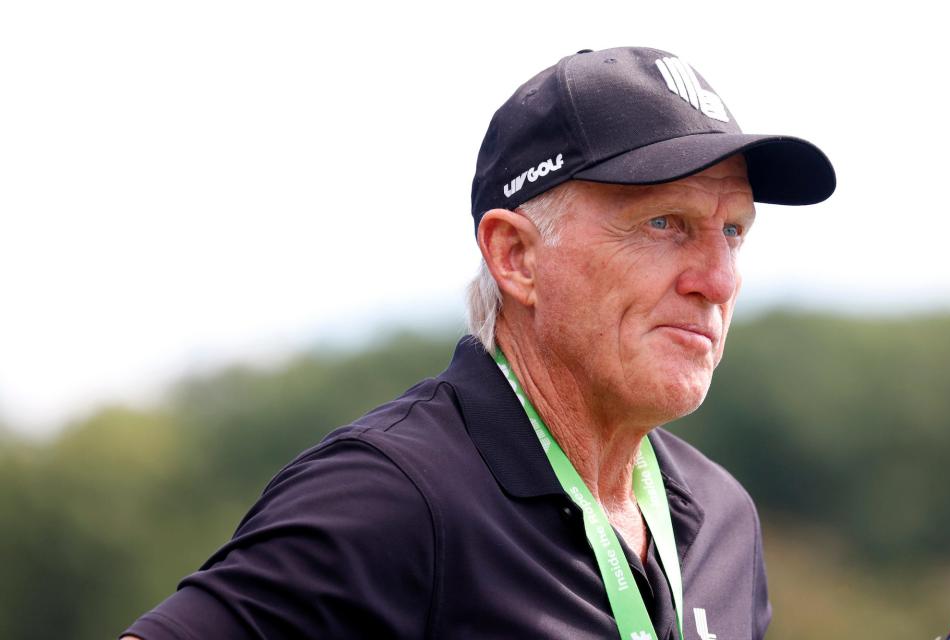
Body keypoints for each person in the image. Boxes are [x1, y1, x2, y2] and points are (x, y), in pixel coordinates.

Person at [121, 46, 835, 640]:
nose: (717, 278)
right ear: (517, 257)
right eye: (664, 224)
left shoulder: (721, 517)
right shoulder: (393, 500)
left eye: (733, 231)